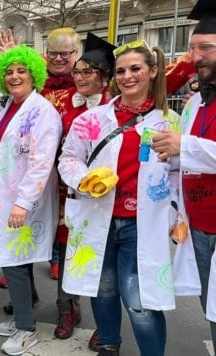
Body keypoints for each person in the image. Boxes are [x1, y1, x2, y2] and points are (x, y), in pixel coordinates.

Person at [58, 38, 194, 356]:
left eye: (136, 68)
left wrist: (176, 213)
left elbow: (179, 172)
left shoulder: (169, 123)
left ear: (153, 71)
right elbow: (68, 159)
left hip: (141, 224)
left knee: (139, 300)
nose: (127, 76)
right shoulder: (91, 119)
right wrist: (85, 179)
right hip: (97, 218)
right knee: (103, 289)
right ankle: (108, 344)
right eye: (121, 70)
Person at [0, 45, 60, 355]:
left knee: (15, 264)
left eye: (21, 70)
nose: (14, 76)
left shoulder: (43, 111)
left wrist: (23, 202)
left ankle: (26, 330)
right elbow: (10, 151)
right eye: (9, 71)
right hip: (8, 194)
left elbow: (41, 162)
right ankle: (23, 318)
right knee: (15, 265)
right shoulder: (11, 105)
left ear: (34, 74)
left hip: (25, 200)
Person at [151, 0, 216, 350]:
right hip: (200, 228)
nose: (196, 56)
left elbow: (190, 148)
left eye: (206, 47)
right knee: (213, 307)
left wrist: (184, 145)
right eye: (192, 49)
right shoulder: (195, 103)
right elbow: (184, 158)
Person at [51, 33, 117, 340]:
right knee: (67, 253)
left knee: (100, 260)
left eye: (86, 71)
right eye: (76, 71)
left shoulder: (115, 108)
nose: (78, 77)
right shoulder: (63, 102)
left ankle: (104, 324)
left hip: (105, 197)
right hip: (67, 193)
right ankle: (67, 309)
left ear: (103, 76)